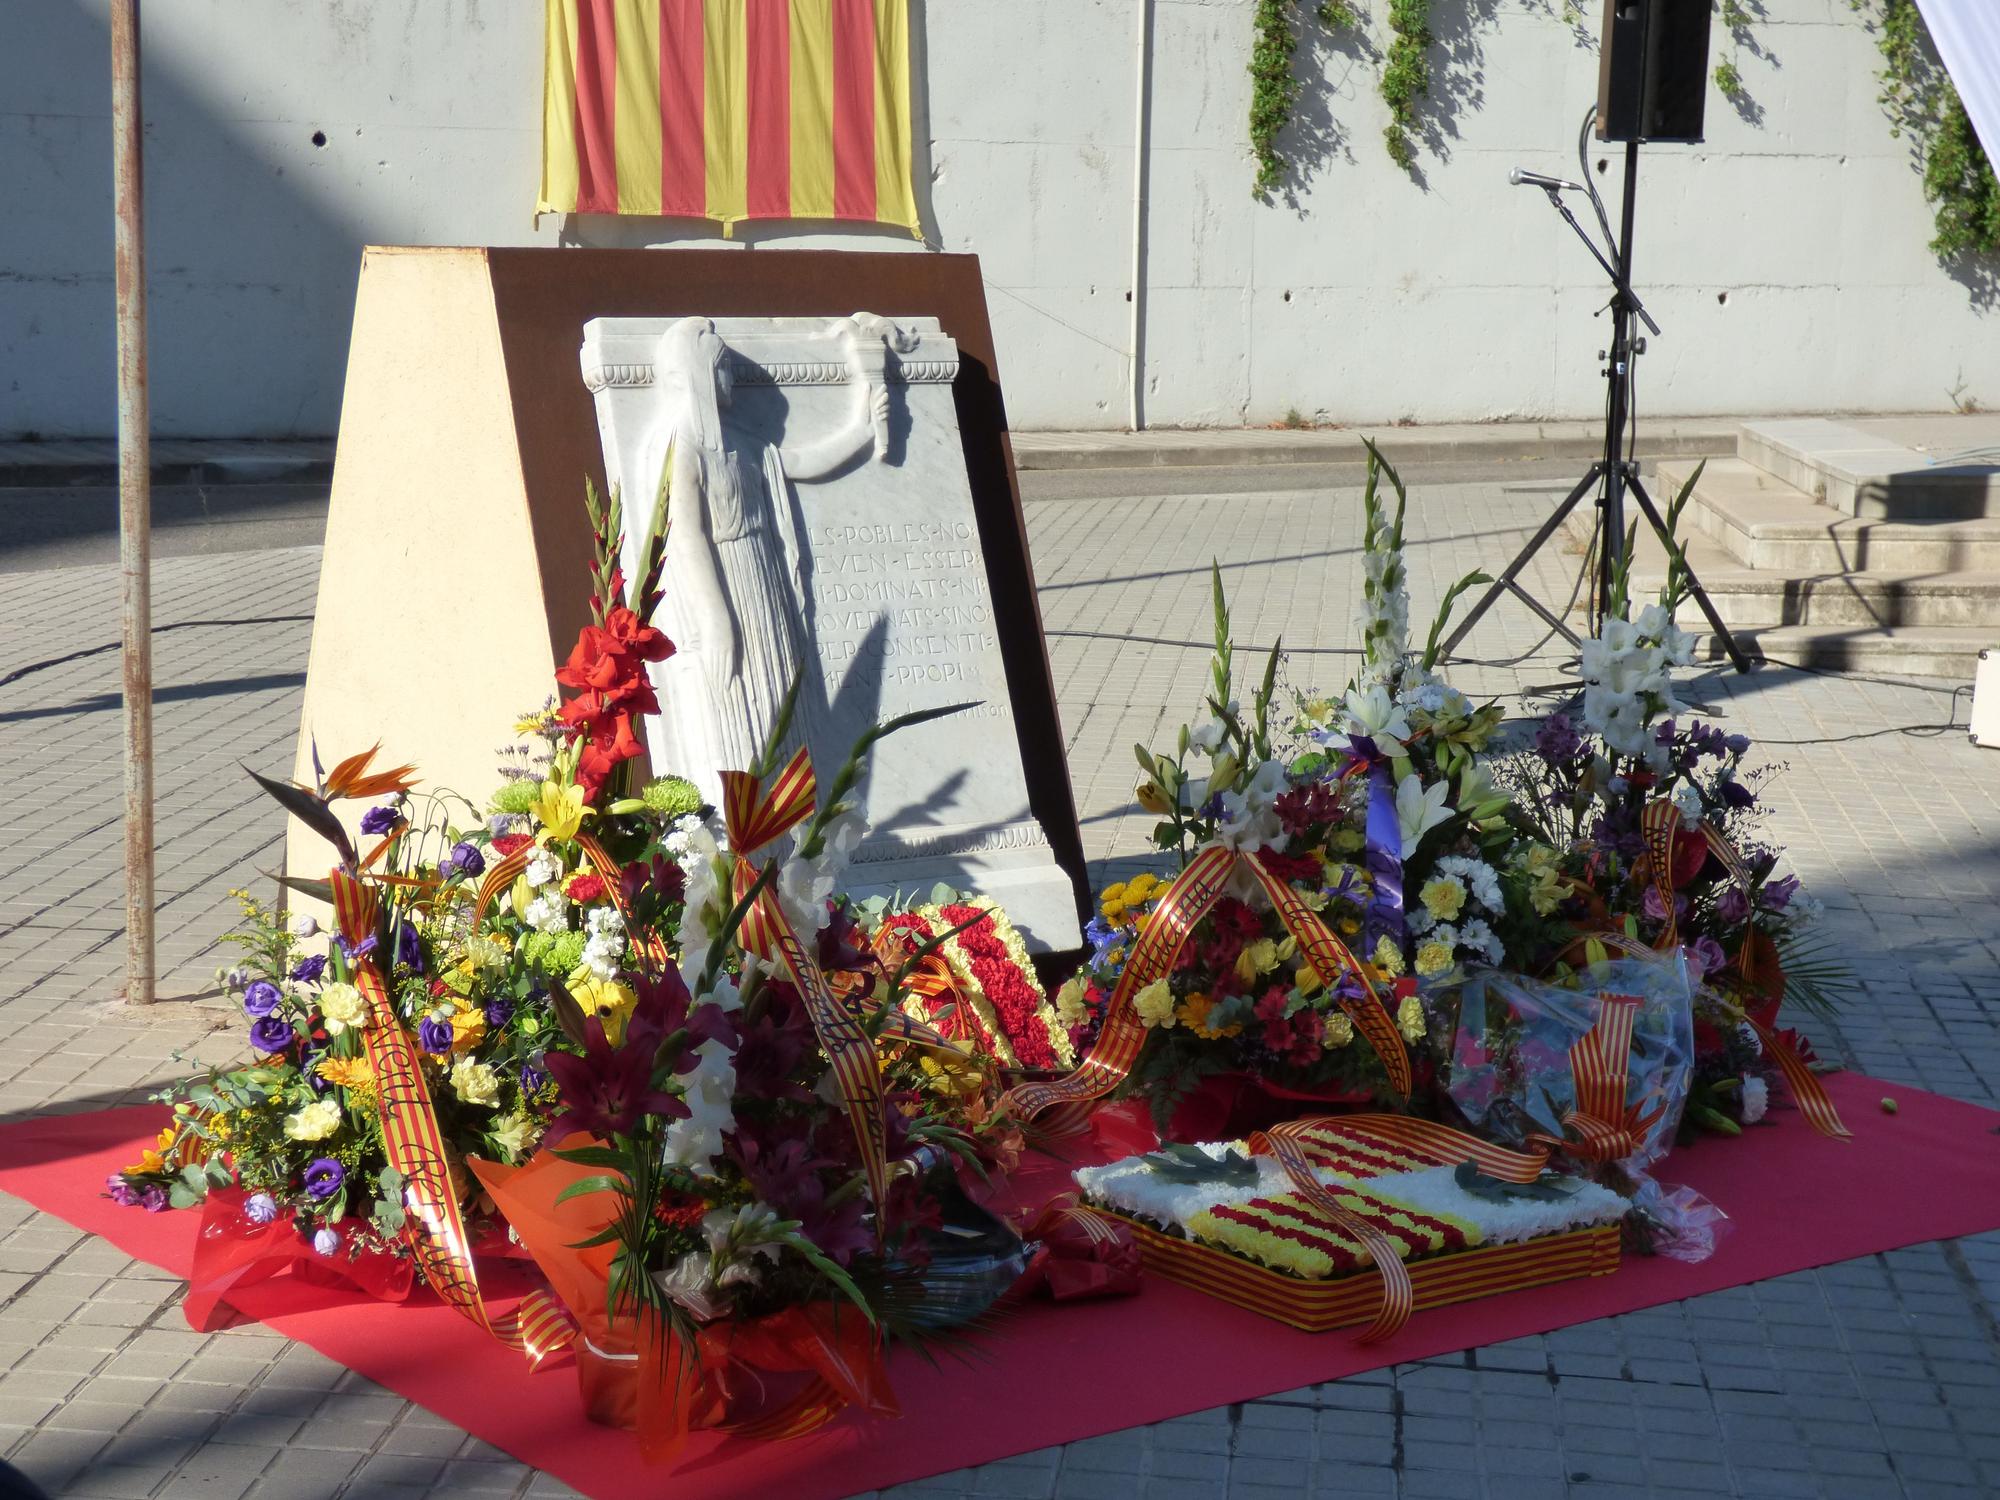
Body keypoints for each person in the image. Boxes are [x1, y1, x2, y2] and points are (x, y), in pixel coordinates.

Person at [644, 315, 894, 790]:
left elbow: (798, 463)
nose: (730, 379)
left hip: (765, 581)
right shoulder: (683, 446)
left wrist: (863, 430)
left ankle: (796, 825)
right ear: (696, 373)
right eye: (720, 369)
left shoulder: (739, 442)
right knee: (741, 700)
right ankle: (754, 836)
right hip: (727, 586)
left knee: (782, 693)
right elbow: (686, 534)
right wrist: (716, 620)